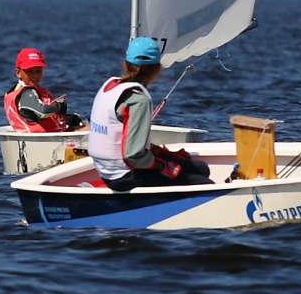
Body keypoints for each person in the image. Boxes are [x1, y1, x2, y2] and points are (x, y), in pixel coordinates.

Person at [88, 37, 211, 191]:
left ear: (125, 64)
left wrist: (160, 154)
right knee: (205, 185)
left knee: (200, 168)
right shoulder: (138, 100)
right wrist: (164, 166)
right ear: (156, 69)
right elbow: (133, 156)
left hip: (105, 170)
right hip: (124, 176)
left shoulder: (109, 85)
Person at [3, 48, 82, 133]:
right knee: (90, 130)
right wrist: (58, 106)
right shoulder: (26, 93)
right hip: (45, 140)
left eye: (38, 70)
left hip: (54, 136)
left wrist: (68, 118)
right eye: (29, 71)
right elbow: (42, 112)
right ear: (18, 72)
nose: (35, 75)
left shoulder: (18, 91)